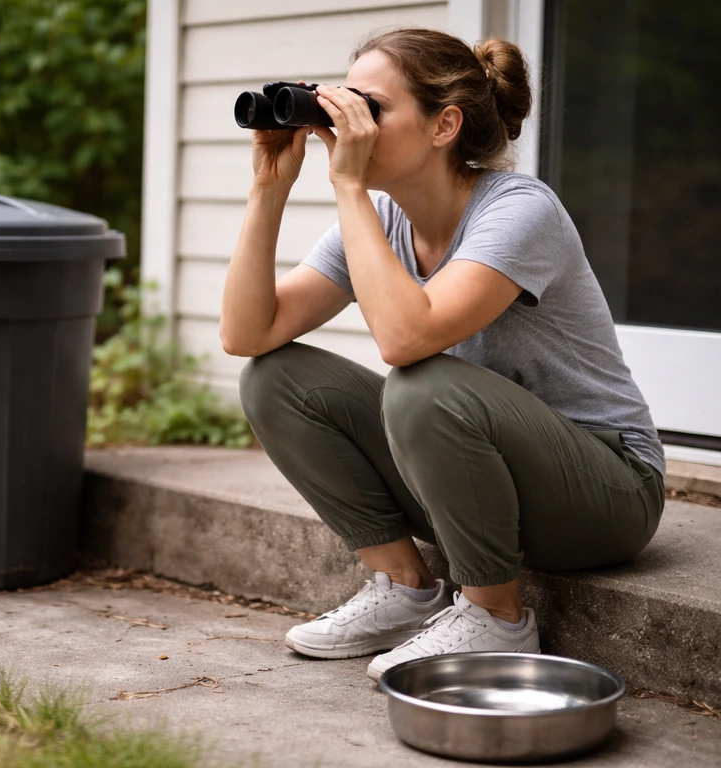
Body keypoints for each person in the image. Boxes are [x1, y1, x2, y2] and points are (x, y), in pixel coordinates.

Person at [219, 27, 665, 682]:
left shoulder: (519, 209)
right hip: (485, 481)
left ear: (443, 125)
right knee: (275, 378)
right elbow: (247, 334)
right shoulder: (380, 218)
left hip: (607, 488)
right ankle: (404, 589)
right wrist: (269, 187)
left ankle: (498, 619)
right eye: (346, 104)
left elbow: (405, 340)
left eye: (370, 108)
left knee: (418, 384)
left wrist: (345, 188)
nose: (350, 126)